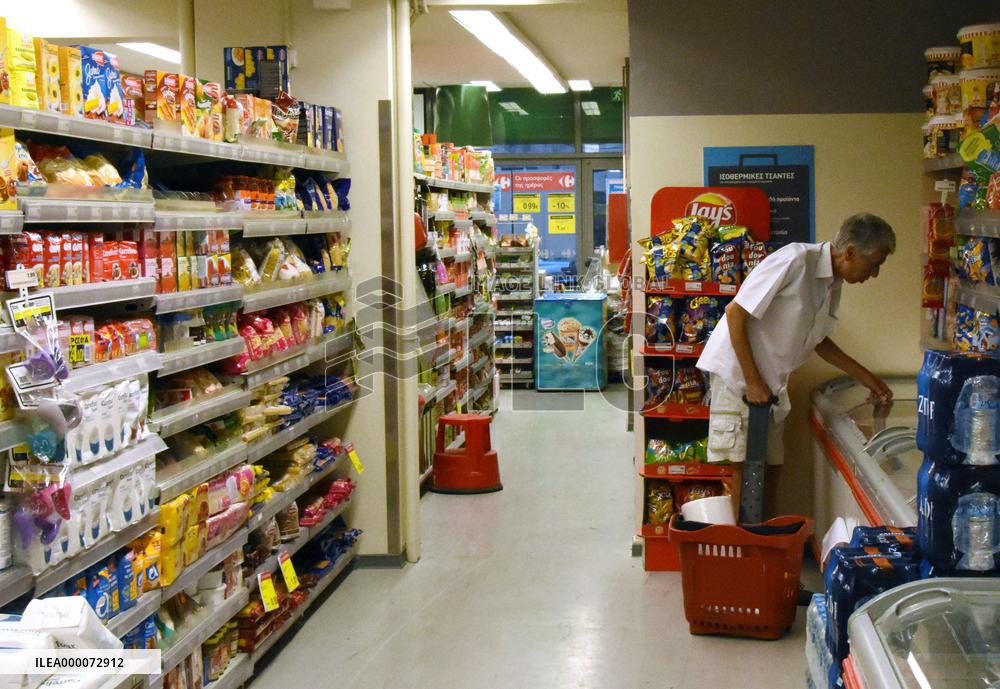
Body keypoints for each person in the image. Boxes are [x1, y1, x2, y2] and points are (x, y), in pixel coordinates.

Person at [696, 213, 896, 509]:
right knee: (747, 472)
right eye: (874, 264)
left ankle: (766, 534)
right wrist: (752, 381)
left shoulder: (832, 282)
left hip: (769, 382)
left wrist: (869, 380)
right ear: (850, 253)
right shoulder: (795, 260)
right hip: (738, 376)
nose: (874, 273)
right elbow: (735, 312)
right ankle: (746, 538)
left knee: (771, 469)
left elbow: (819, 341)